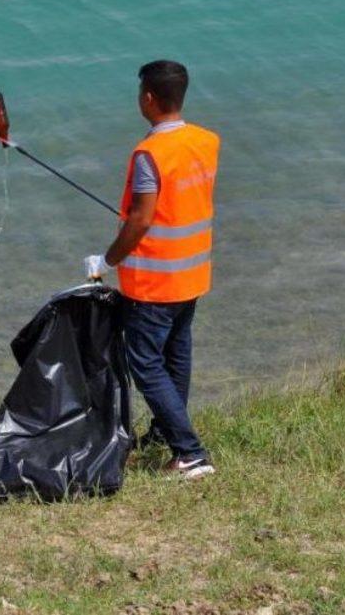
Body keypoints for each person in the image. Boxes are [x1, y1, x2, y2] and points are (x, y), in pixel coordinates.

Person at [84, 60, 220, 480]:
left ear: (148, 98)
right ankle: (165, 434)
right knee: (176, 357)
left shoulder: (150, 155)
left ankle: (191, 453)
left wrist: (106, 261)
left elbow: (141, 219)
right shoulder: (205, 141)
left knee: (145, 363)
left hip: (154, 283)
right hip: (192, 274)